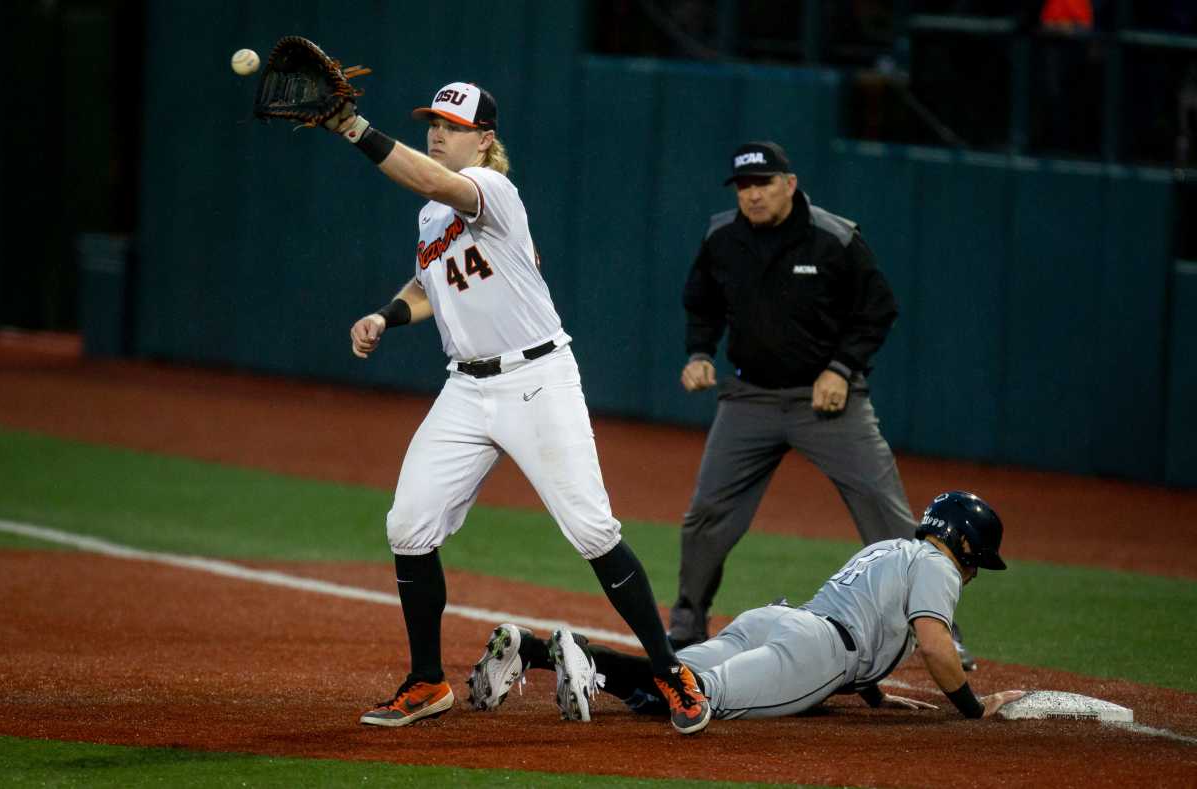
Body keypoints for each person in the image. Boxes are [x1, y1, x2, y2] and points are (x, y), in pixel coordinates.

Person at [323, 82, 709, 734]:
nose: (438, 134)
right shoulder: (432, 217)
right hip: (467, 388)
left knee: (592, 529)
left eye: (452, 124)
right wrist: (386, 315)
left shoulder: (490, 191)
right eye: (432, 123)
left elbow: (431, 180)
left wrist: (354, 128)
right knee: (408, 524)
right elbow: (431, 283)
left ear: (485, 139)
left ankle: (672, 671)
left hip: (536, 379)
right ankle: (427, 679)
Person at [668, 140, 978, 660]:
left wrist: (841, 368)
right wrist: (700, 352)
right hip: (751, 399)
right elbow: (702, 302)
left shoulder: (834, 238)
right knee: (706, 516)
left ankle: (939, 629)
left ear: (790, 184)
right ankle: (685, 625)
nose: (753, 196)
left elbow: (878, 309)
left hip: (829, 402)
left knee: (888, 515)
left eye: (764, 183)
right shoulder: (722, 236)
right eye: (744, 186)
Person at [469, 491, 1024, 726]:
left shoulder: (891, 549)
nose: (973, 572)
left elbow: (865, 616)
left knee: (669, 682)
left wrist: (876, 695)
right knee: (694, 698)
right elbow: (934, 645)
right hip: (815, 651)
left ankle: (540, 651)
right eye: (978, 560)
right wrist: (975, 709)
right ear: (967, 544)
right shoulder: (939, 564)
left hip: (772, 622)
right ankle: (579, 659)